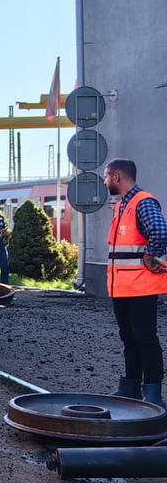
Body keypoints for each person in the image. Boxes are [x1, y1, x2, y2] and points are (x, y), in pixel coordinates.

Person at [103, 158, 167, 406]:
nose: (105, 181)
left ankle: (152, 395)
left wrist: (150, 255)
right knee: (129, 338)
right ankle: (130, 388)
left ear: (117, 177)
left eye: (106, 176)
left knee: (146, 339)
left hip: (140, 287)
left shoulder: (142, 202)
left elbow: (161, 231)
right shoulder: (121, 207)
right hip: (122, 287)